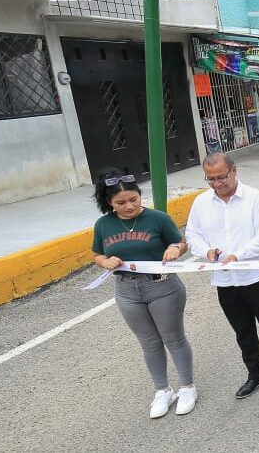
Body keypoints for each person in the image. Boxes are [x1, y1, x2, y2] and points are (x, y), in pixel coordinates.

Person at [90, 168, 196, 418]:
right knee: (148, 342)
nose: (129, 206)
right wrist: (105, 262)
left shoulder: (157, 218)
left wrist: (174, 249)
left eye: (133, 199)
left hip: (162, 287)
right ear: (109, 203)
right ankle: (162, 390)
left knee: (174, 338)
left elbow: (180, 243)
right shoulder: (103, 225)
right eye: (121, 203)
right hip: (126, 291)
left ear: (139, 195)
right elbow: (96, 254)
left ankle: (187, 387)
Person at [185, 152, 259, 399]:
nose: (217, 183)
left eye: (221, 177)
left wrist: (238, 256)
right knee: (243, 332)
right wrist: (207, 251)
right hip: (224, 280)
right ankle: (255, 374)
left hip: (257, 276)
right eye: (210, 179)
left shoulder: (254, 198)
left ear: (234, 171)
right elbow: (193, 236)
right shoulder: (201, 203)